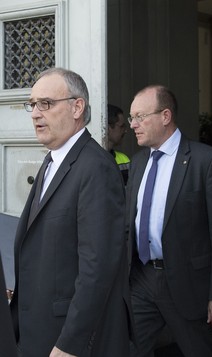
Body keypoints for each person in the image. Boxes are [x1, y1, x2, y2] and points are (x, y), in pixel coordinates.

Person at [11, 67, 132, 357]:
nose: (35, 113)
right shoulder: (52, 160)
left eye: (46, 104)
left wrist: (70, 344)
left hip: (67, 340)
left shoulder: (96, 168)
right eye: (32, 104)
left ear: (77, 107)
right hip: (37, 328)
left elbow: (97, 269)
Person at [126, 85, 212, 357]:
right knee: (127, 349)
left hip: (188, 284)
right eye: (131, 118)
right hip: (141, 279)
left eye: (140, 117)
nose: (133, 125)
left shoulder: (206, 162)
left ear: (165, 116)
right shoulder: (137, 163)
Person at [107, 104, 131, 184]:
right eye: (122, 127)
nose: (125, 131)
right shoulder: (88, 158)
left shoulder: (125, 159)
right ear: (107, 128)